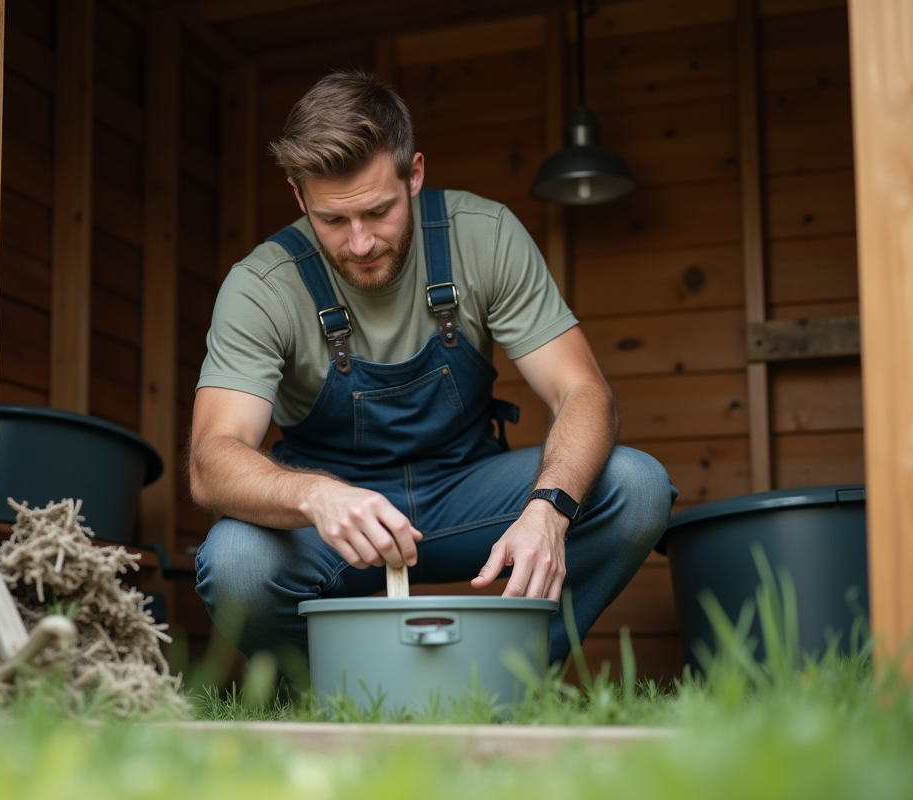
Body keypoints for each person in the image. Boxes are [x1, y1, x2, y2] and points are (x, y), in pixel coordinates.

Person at [189, 70, 676, 669]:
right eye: (333, 220)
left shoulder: (484, 236)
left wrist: (548, 508)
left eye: (378, 211)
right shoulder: (261, 286)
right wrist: (316, 496)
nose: (360, 243)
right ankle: (336, 695)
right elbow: (212, 459)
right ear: (298, 196)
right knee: (236, 562)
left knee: (636, 486)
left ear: (413, 174)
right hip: (331, 519)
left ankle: (505, 681)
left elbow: (583, 391)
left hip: (468, 495)